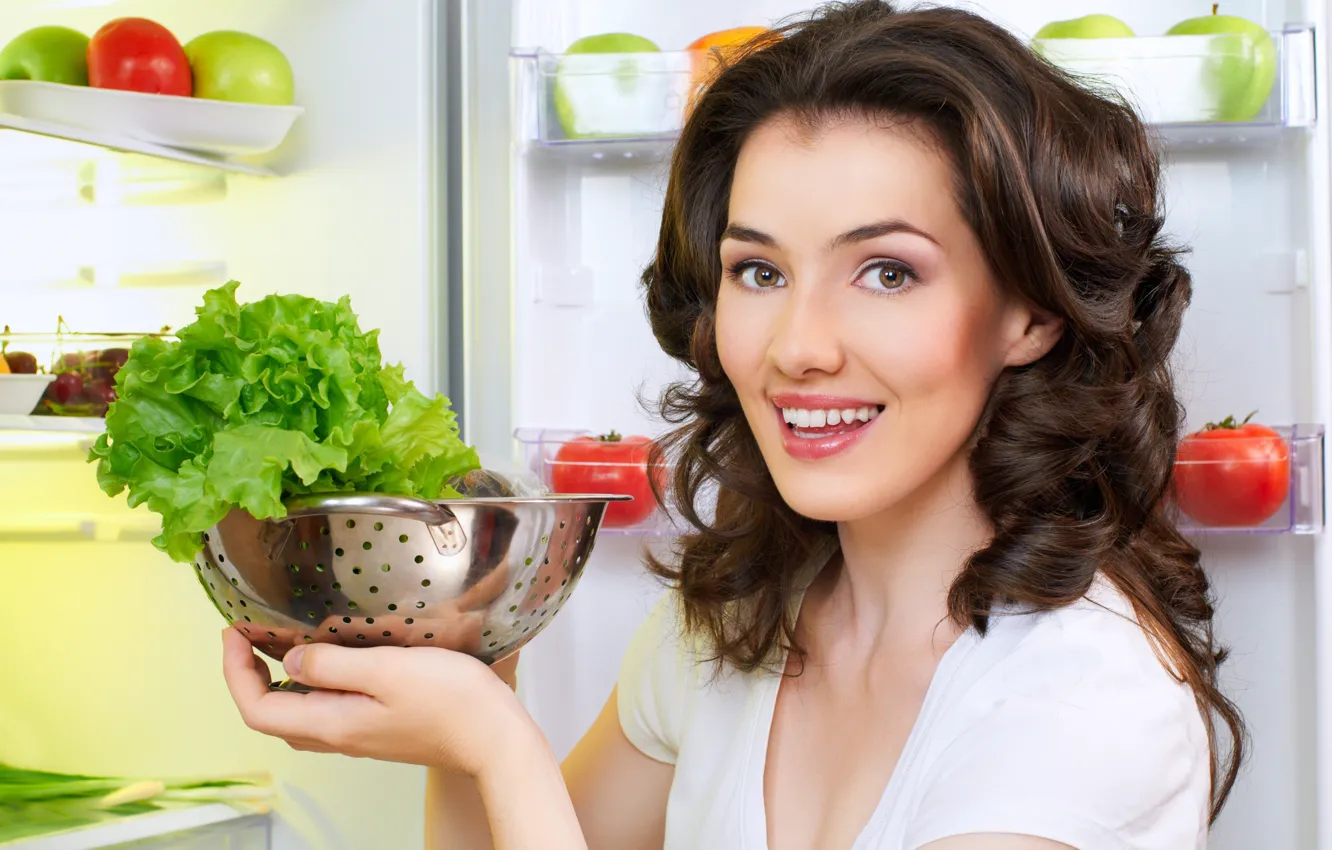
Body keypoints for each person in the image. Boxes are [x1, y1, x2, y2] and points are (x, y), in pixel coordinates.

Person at [221, 2, 1245, 847]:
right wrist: (468, 690)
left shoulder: (1084, 702)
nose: (799, 344)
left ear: (1030, 312)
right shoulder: (723, 627)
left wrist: (499, 744)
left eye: (887, 272)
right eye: (759, 270)